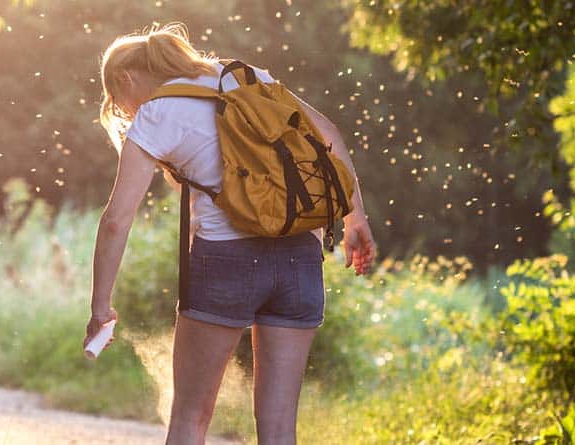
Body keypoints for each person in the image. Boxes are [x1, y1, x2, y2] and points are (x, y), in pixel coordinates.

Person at [82, 23, 377, 445]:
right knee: (278, 428)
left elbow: (116, 220)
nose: (125, 111)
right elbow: (327, 133)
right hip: (300, 257)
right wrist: (355, 219)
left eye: (118, 101)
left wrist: (100, 306)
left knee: (190, 418)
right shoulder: (248, 77)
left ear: (127, 79)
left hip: (226, 262)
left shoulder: (159, 111)